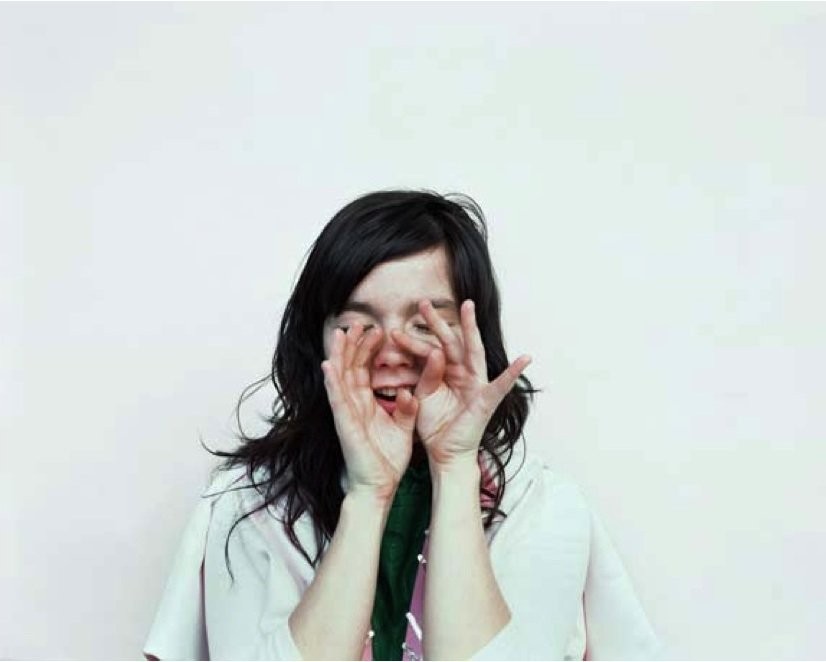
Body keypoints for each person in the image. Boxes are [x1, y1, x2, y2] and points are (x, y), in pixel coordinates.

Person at [143, 190, 662, 661]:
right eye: (357, 325)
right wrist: (370, 493)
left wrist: (454, 465)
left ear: (474, 338)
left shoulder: (545, 507)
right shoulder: (244, 505)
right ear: (316, 341)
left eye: (425, 323)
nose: (391, 352)